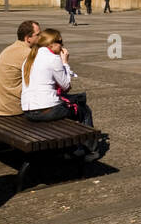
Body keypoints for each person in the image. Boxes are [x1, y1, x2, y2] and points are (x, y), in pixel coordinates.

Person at [21, 29, 98, 158]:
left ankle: (70, 148)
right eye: (60, 42)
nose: (62, 45)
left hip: (29, 111)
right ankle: (88, 150)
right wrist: (65, 62)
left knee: (76, 100)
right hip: (46, 111)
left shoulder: (29, 59)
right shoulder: (53, 58)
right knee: (84, 110)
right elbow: (66, 86)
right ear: (51, 44)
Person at [0, 20, 41, 116]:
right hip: (12, 107)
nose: (41, 37)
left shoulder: (10, 49)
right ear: (28, 38)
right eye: (38, 35)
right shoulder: (27, 53)